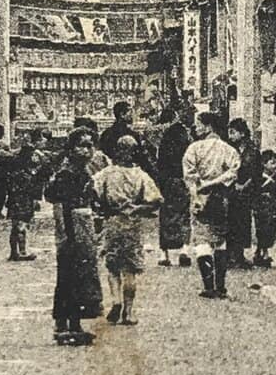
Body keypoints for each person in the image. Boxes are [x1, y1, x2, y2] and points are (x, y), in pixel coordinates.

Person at [93, 135, 162, 325]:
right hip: (132, 224)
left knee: (113, 266)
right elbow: (155, 200)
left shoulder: (107, 173)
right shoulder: (140, 175)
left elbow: (92, 191)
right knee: (131, 269)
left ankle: (115, 301)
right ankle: (129, 312)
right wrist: (137, 208)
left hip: (112, 222)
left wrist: (101, 208)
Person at [46, 126, 104, 345]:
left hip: (82, 228)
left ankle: (70, 324)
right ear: (71, 149)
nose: (87, 151)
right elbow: (59, 206)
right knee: (70, 277)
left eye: (90, 146)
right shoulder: (67, 173)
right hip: (72, 230)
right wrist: (65, 236)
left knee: (76, 277)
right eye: (82, 146)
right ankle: (66, 325)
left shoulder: (83, 171)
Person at [183, 109, 241, 299]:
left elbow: (189, 175)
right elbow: (233, 173)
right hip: (221, 197)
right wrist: (218, 182)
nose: (196, 128)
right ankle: (221, 286)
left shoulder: (194, 149)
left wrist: (198, 190)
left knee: (202, 239)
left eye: (198, 124)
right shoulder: (228, 149)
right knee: (220, 239)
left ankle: (209, 285)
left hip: (200, 195)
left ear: (208, 126)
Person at [153, 108, 193, 267]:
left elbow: (159, 160)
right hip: (182, 178)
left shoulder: (162, 135)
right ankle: (184, 250)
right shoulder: (184, 134)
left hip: (166, 179)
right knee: (183, 214)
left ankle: (164, 253)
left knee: (166, 215)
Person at [5, 123, 50, 262]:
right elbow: (41, 177)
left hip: (14, 192)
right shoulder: (36, 156)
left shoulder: (17, 153)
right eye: (43, 139)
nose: (45, 142)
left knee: (15, 223)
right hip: (26, 193)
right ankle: (22, 251)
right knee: (22, 223)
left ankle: (14, 252)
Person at [224, 118, 260, 269]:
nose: (230, 135)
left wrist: (245, 185)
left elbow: (257, 172)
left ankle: (239, 254)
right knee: (229, 222)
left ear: (242, 133)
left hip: (246, 191)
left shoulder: (252, 150)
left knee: (243, 222)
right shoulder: (229, 149)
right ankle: (229, 254)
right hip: (230, 189)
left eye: (233, 132)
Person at [253, 150, 276, 268]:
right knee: (261, 229)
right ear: (264, 164)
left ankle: (262, 251)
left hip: (272, 208)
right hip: (261, 208)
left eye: (275, 163)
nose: (274, 166)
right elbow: (254, 192)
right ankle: (263, 252)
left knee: (270, 229)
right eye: (272, 163)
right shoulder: (258, 179)